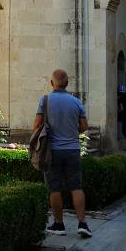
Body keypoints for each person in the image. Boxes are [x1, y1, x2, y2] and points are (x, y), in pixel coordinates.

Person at [35, 69, 91, 238]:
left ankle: (59, 224)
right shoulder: (76, 102)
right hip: (72, 149)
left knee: (54, 188)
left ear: (52, 83)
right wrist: (71, 131)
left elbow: (36, 125)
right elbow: (84, 127)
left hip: (52, 151)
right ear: (67, 83)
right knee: (76, 186)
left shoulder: (45, 101)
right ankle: (82, 223)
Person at [116, 85, 126, 151]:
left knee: (123, 131)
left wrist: (117, 112)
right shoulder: (125, 98)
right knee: (124, 131)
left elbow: (121, 108)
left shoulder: (120, 98)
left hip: (122, 116)